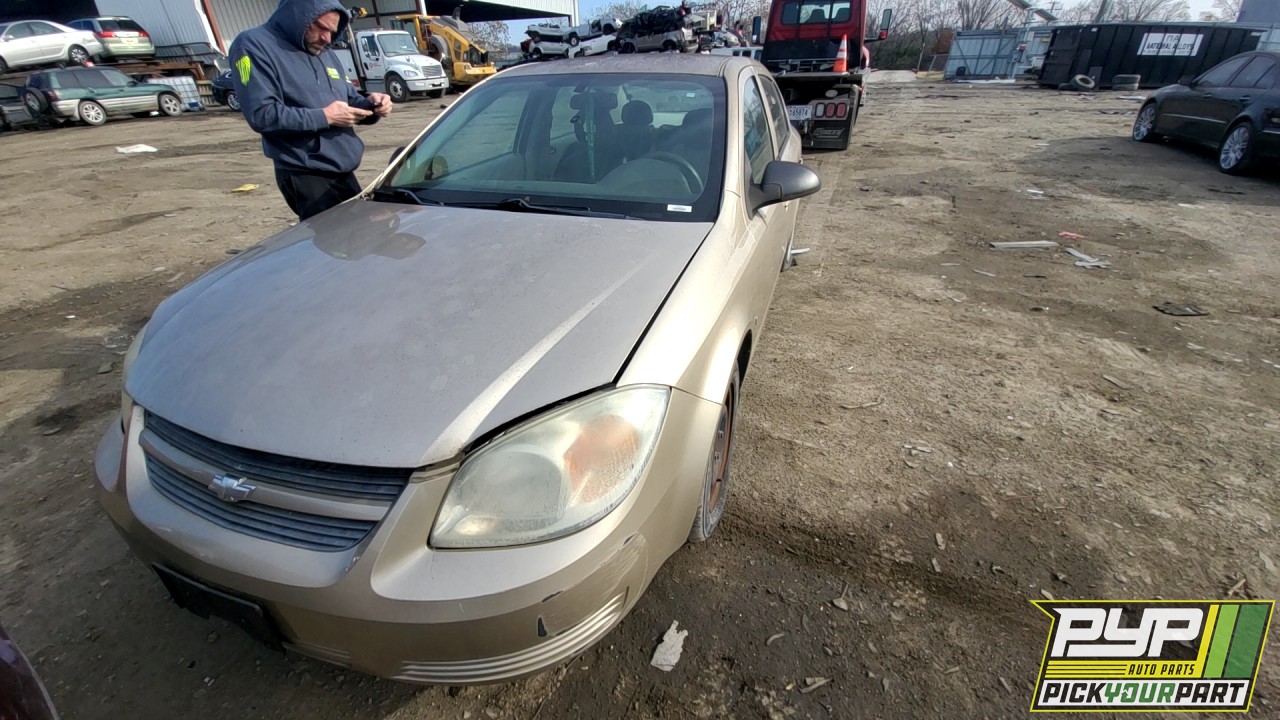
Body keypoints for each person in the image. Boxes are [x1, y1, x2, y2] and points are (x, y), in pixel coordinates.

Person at [229, 0, 392, 220]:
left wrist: (372, 104)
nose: (327, 38)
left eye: (332, 31)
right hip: (306, 173)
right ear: (298, 16)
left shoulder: (324, 51)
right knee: (335, 247)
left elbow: (348, 99)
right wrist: (325, 116)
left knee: (359, 240)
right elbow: (261, 114)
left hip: (342, 169)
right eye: (322, 28)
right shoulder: (250, 47)